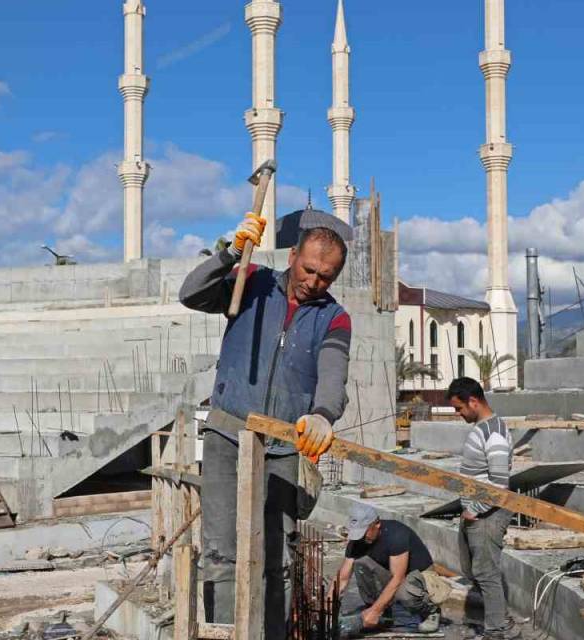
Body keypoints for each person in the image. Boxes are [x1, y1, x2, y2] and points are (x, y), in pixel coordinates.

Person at [178, 212, 352, 636]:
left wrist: (323, 415)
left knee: (277, 555)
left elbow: (333, 372)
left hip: (283, 448)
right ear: (293, 256)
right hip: (227, 434)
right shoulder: (251, 280)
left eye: (326, 277)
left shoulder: (334, 318)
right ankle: (223, 630)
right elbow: (190, 294)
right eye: (309, 269)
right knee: (221, 551)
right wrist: (231, 254)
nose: (314, 282)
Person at [447, 377, 515, 639]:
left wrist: (475, 509)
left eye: (459, 408)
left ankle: (497, 630)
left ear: (473, 401)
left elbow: (499, 486)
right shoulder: (483, 427)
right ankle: (500, 620)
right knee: (474, 569)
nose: (459, 414)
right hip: (476, 512)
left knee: (486, 572)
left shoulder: (494, 434)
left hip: (487, 515)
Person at [336, 504, 442, 637]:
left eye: (364, 532)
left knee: (404, 593)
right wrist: (328, 606)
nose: (362, 537)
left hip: (420, 576)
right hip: (393, 574)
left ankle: (431, 611)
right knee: (361, 562)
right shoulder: (359, 540)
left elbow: (398, 578)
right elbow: (343, 578)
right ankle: (381, 613)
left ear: (377, 524)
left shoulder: (396, 535)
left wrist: (375, 611)